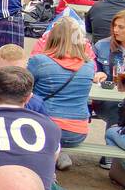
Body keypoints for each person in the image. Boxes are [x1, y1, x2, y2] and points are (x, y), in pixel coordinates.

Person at [27, 16, 95, 157]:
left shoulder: (39, 61)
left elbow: (24, 89)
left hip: (43, 128)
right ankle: (59, 157)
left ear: (51, 37)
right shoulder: (89, 65)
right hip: (77, 133)